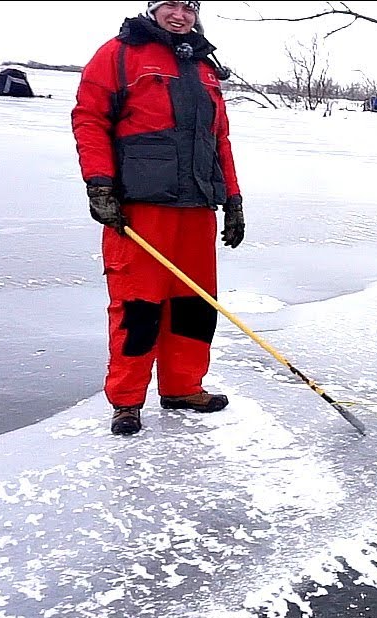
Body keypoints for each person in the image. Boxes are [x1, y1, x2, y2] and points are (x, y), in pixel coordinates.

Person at [71, 1, 246, 436]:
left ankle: (183, 386)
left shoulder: (204, 65)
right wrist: (99, 184)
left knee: (194, 306)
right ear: (152, 8)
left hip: (197, 207)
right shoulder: (119, 53)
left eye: (189, 7)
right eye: (169, 4)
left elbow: (218, 138)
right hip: (141, 206)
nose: (180, 14)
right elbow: (89, 119)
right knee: (138, 305)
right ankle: (127, 400)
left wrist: (234, 198)